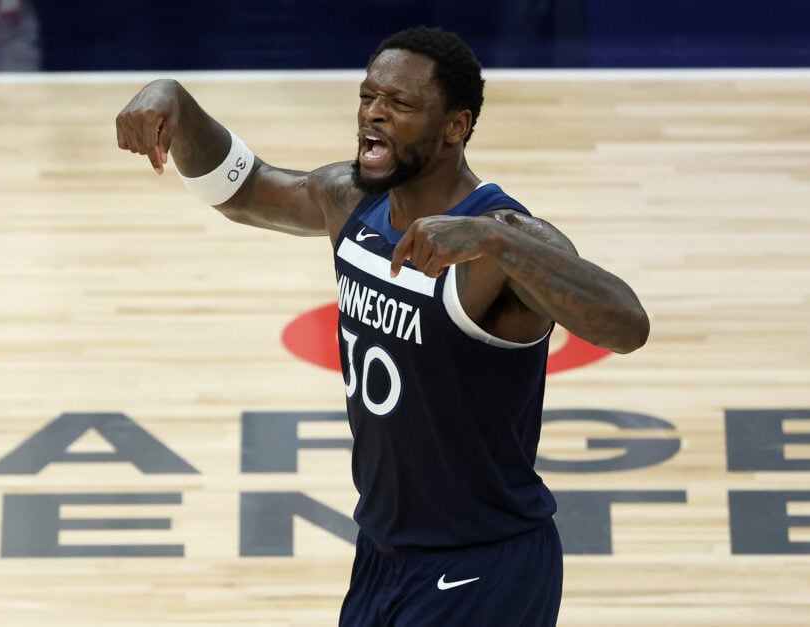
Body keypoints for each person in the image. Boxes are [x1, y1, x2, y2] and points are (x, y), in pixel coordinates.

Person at [116, 26, 648, 627]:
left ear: (455, 126)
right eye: (369, 97)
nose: (375, 115)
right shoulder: (350, 199)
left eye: (401, 104)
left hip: (485, 563)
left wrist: (494, 239)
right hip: (383, 554)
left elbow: (626, 325)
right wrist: (175, 103)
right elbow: (238, 191)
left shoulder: (505, 237)